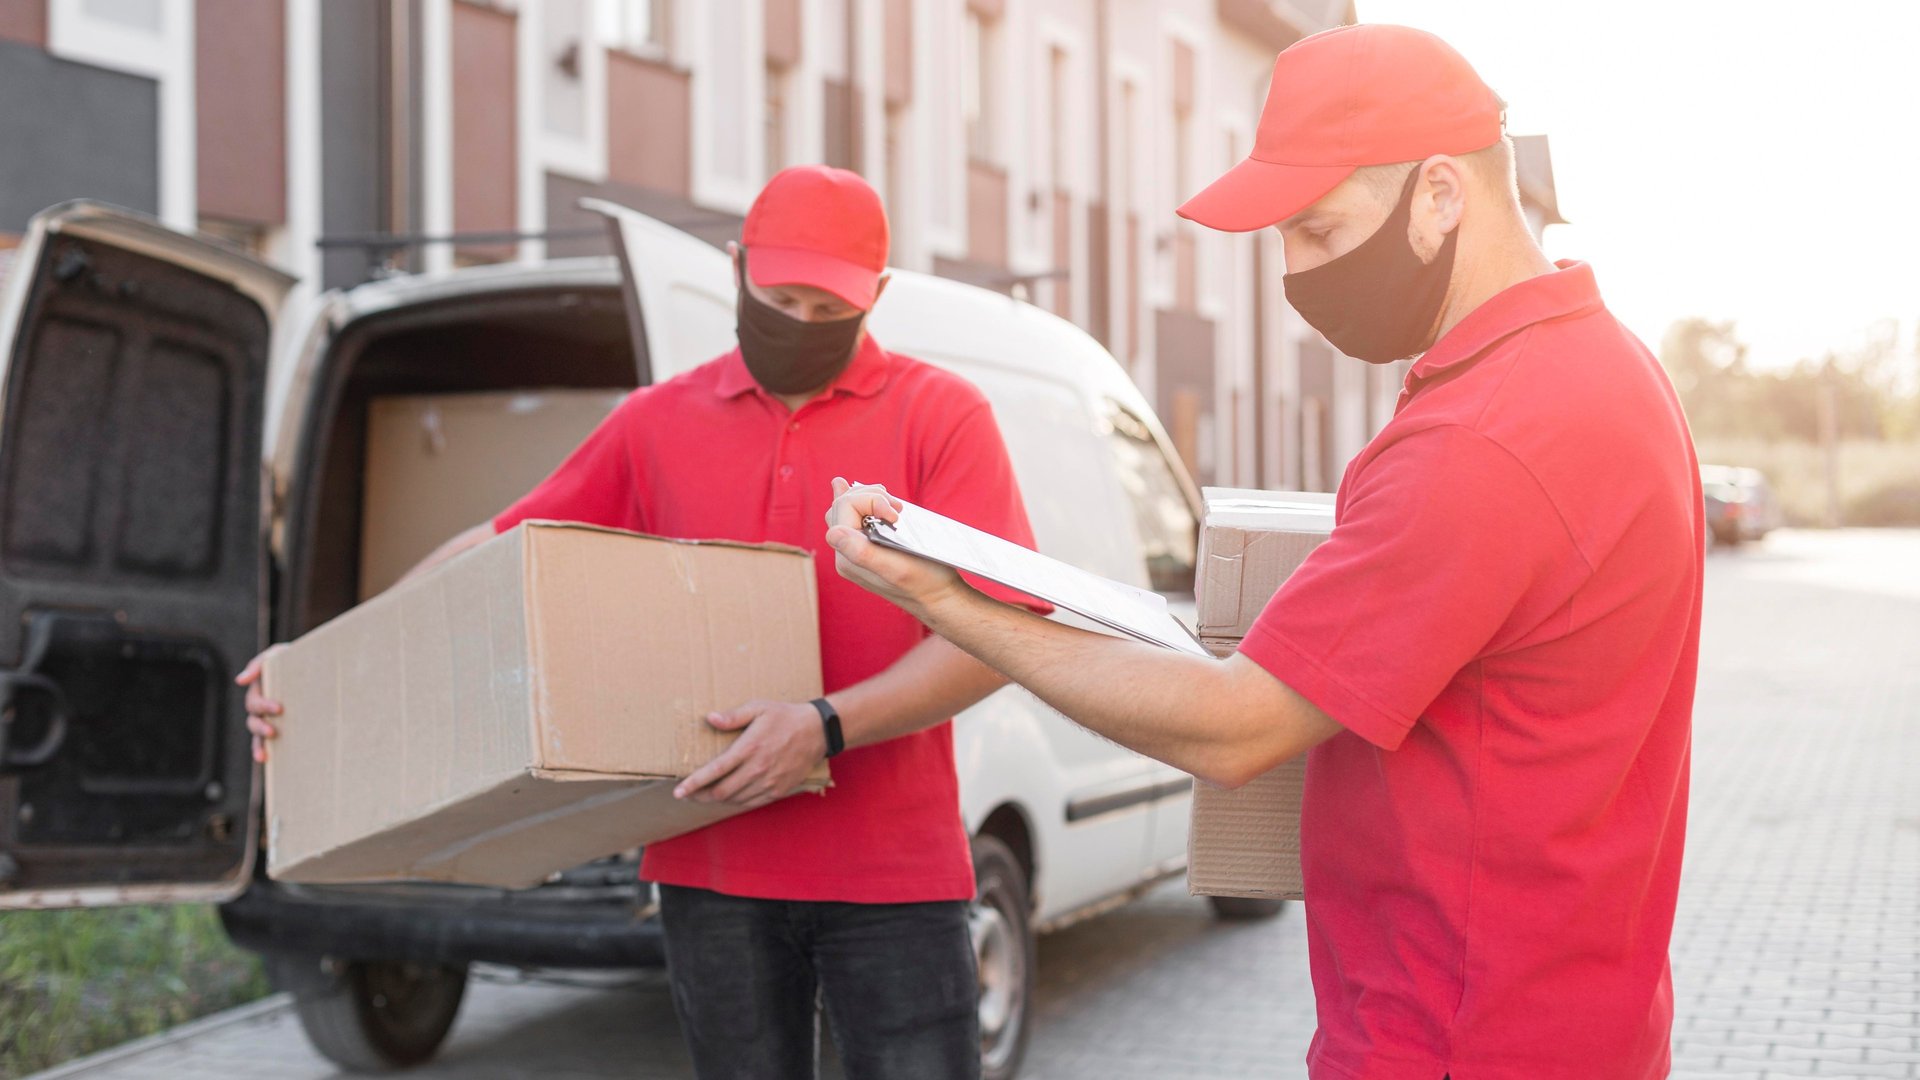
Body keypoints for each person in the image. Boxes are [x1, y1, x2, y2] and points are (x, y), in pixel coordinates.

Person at [826, 24, 1701, 1080]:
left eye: (1321, 230)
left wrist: (950, 601)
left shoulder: (1486, 435)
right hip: (1576, 1018)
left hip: (1456, 1038)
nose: (1295, 271)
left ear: (1439, 195)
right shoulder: (1607, 369)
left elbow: (1237, 732)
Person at [242, 165, 1047, 1080]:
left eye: (830, 310)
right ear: (736, 266)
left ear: (879, 297)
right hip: (710, 873)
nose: (803, 325)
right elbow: (499, 553)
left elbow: (998, 635)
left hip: (894, 873)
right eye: (781, 298)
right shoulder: (657, 421)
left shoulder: (941, 418)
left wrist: (825, 725)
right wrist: (316, 667)